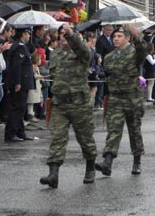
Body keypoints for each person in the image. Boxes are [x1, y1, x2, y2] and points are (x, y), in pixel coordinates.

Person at [40, 24, 98, 187]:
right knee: (57, 137)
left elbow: (84, 52)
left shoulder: (82, 53)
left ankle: (90, 167)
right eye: (61, 36)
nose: (64, 39)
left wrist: (72, 35)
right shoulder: (56, 54)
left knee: (85, 138)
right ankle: (53, 174)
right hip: (60, 103)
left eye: (67, 36)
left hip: (79, 103)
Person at [95, 26, 148, 177]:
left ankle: (137, 161)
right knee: (113, 130)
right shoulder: (109, 57)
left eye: (119, 36)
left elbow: (142, 51)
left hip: (132, 97)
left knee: (134, 130)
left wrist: (137, 36)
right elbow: (106, 72)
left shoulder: (134, 53)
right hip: (116, 98)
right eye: (114, 36)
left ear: (127, 38)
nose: (116, 39)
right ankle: (107, 162)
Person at [4, 26, 34, 142]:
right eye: (27, 33)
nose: (29, 36)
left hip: (22, 81)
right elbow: (17, 66)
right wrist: (17, 82)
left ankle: (20, 132)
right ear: (23, 34)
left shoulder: (20, 46)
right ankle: (11, 133)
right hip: (20, 82)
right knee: (16, 108)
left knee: (21, 108)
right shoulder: (19, 47)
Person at [95, 24, 114, 108]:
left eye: (110, 30)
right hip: (105, 64)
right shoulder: (100, 39)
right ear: (104, 30)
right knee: (105, 85)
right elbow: (99, 53)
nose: (109, 32)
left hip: (113, 64)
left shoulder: (114, 39)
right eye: (107, 30)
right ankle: (102, 102)